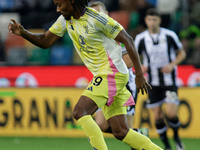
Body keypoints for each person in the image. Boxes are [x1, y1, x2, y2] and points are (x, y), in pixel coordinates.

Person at [8, 0, 162, 149]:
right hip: (107, 75)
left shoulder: (97, 19)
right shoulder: (65, 20)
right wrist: (23, 33)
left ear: (72, 2)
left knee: (79, 112)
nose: (57, 9)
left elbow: (128, 40)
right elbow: (45, 41)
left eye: (60, 5)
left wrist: (139, 74)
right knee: (121, 132)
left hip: (112, 73)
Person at [89, 2, 149, 150]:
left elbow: (129, 59)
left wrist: (109, 67)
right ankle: (139, 134)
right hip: (104, 83)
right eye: (93, 14)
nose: (96, 17)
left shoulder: (114, 33)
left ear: (107, 14)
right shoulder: (92, 36)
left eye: (99, 13)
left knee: (126, 131)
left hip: (124, 84)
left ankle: (138, 136)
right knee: (101, 125)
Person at [134, 8, 186, 150]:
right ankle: (167, 146)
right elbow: (134, 56)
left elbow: (181, 53)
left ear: (159, 21)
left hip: (169, 81)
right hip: (152, 83)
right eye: (149, 20)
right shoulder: (141, 38)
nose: (152, 22)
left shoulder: (169, 35)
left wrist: (171, 64)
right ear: (146, 21)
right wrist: (141, 67)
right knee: (157, 117)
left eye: (154, 19)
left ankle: (176, 136)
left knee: (171, 113)